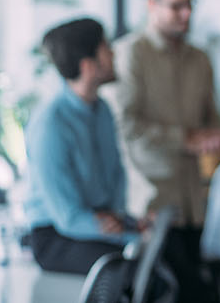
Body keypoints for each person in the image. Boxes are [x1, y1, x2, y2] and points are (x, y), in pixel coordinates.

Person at [111, 0, 220, 302]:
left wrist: (217, 137)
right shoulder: (130, 54)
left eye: (190, 3)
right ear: (152, 4)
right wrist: (185, 139)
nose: (186, 13)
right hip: (151, 202)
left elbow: (211, 120)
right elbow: (126, 125)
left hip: (195, 203)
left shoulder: (200, 60)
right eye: (176, 5)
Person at [25, 18, 140, 274]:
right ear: (88, 66)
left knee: (163, 253)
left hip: (100, 221)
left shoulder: (103, 111)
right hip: (57, 234)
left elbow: (115, 177)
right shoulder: (51, 124)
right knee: (130, 268)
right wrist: (129, 236)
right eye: (106, 48)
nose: (113, 53)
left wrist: (127, 222)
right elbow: (67, 217)